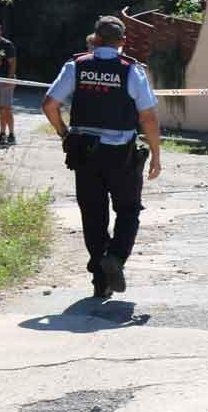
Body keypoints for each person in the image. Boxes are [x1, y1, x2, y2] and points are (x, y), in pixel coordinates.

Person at [41, 16, 163, 299]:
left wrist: (64, 133)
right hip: (121, 154)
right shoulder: (131, 71)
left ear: (95, 40)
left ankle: (100, 279)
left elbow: (49, 104)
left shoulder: (76, 66)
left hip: (84, 152)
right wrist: (156, 154)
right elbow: (148, 116)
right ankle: (116, 258)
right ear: (122, 42)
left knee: (93, 213)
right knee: (129, 210)